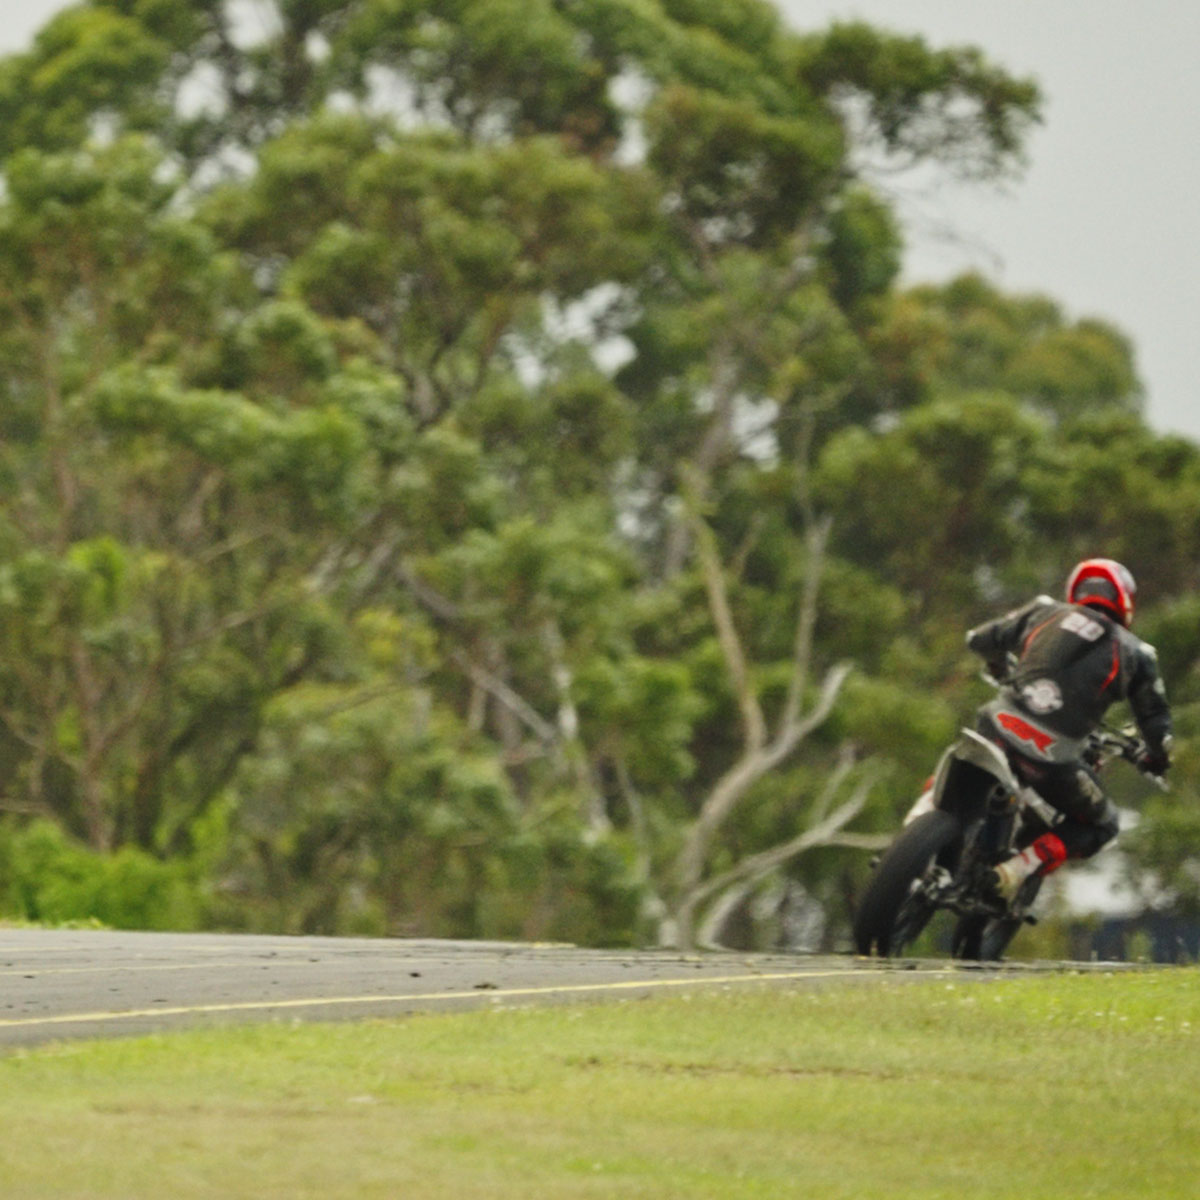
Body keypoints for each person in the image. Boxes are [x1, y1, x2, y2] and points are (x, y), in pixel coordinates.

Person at [965, 558, 1173, 902]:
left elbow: (980, 640)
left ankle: (921, 819)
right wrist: (1155, 757)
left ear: (1076, 589)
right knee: (1103, 824)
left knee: (964, 753)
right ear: (1125, 601)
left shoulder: (1044, 612)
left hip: (997, 723)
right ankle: (1013, 872)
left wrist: (999, 665)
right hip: (1052, 760)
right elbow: (1155, 723)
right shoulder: (1138, 653)